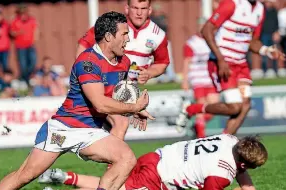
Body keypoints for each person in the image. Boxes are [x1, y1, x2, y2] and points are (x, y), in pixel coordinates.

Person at [0, 12, 151, 190]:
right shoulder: (88, 62)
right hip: (64, 128)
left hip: (90, 131)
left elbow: (116, 96)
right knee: (24, 176)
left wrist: (136, 109)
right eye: (124, 34)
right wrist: (132, 108)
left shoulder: (123, 62)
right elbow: (100, 104)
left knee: (125, 158)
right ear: (108, 36)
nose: (128, 39)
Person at [33, 134, 266, 190]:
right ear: (244, 163)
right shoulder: (222, 171)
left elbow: (240, 170)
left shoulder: (230, 139)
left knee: (112, 184)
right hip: (158, 178)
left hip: (156, 156)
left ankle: (65, 177)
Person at [176, 0, 285, 135]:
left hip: (241, 65)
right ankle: (191, 109)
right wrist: (221, 59)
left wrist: (266, 50)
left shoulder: (260, 10)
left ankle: (224, 142)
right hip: (223, 62)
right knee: (234, 108)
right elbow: (206, 29)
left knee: (245, 105)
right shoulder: (232, 4)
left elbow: (252, 41)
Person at [76, 0, 168, 140]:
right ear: (127, 8)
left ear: (150, 10)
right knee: (120, 123)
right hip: (101, 87)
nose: (139, 13)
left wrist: (149, 73)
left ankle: (114, 159)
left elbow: (162, 63)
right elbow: (83, 46)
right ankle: (116, 159)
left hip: (123, 93)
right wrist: (83, 74)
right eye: (135, 8)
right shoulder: (112, 25)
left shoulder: (158, 35)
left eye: (143, 8)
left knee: (116, 126)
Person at [181, 18, 219, 138]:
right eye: (200, 25)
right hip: (198, 81)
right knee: (202, 107)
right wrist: (185, 80)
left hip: (211, 79)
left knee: (213, 108)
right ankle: (201, 137)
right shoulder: (191, 43)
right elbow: (186, 62)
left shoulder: (214, 40)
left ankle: (196, 124)